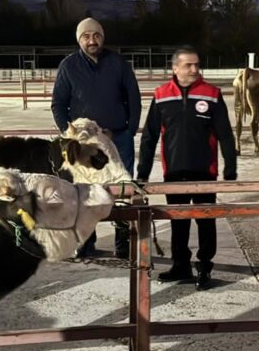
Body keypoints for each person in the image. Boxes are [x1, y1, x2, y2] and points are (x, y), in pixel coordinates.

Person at [137, 48, 237, 290]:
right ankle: (180, 265)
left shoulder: (212, 94)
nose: (194, 69)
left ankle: (204, 266)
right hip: (174, 171)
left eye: (196, 65)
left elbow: (225, 133)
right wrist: (142, 172)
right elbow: (149, 137)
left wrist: (230, 168)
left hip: (205, 170)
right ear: (175, 68)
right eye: (188, 65)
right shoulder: (161, 95)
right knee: (178, 221)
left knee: (205, 220)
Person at [51, 17, 141, 259]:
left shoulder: (118, 63)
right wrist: (70, 136)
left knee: (122, 190)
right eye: (86, 36)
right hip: (84, 147)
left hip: (117, 138)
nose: (92, 40)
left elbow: (133, 97)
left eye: (96, 35)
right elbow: (58, 104)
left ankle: (123, 241)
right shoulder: (68, 66)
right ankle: (86, 241)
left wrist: (129, 130)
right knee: (83, 191)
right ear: (79, 39)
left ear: (103, 37)